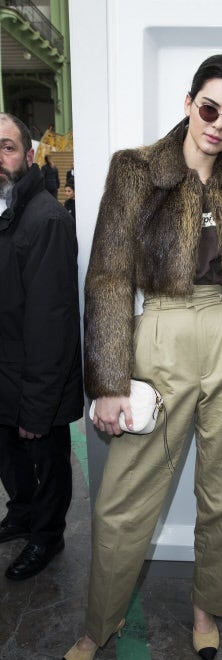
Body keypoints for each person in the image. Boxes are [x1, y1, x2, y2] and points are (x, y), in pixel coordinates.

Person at [54, 54, 222, 660]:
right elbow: (106, 276)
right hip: (159, 334)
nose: (217, 126)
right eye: (209, 109)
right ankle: (100, 623)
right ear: (188, 102)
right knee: (122, 498)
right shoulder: (136, 171)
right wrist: (106, 382)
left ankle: (207, 612)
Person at [0, 113, 83, 580]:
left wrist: (36, 406)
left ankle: (47, 536)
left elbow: (53, 323)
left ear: (29, 157)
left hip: (37, 382)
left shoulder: (46, 219)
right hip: (4, 373)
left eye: (7, 147)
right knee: (10, 462)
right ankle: (23, 513)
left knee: (47, 463)